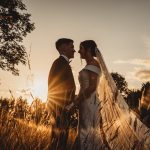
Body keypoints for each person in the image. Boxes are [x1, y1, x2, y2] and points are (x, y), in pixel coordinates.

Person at [47, 38, 76, 150]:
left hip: (62, 108)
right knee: (59, 140)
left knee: (60, 139)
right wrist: (63, 107)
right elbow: (55, 87)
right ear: (63, 48)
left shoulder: (62, 63)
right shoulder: (59, 63)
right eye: (71, 47)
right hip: (60, 109)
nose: (74, 50)